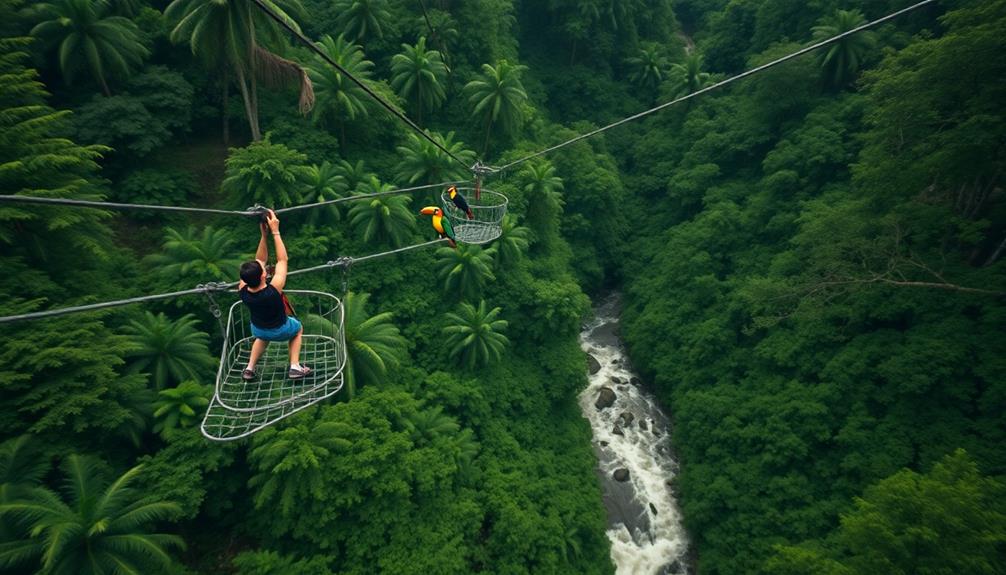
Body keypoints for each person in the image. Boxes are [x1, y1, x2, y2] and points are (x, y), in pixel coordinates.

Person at [237, 210, 311, 381]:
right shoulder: (273, 290)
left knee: (262, 337)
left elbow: (260, 260)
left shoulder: (242, 290)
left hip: (258, 329)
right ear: (264, 276)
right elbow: (282, 260)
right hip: (281, 330)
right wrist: (275, 231)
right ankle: (294, 366)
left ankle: (249, 368)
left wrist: (264, 236)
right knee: (298, 329)